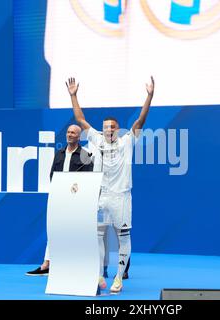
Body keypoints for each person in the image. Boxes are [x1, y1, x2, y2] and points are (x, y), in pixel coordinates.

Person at [66, 76, 154, 293]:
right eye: (106, 127)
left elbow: (140, 122)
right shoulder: (95, 139)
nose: (109, 130)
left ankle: (118, 278)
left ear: (118, 129)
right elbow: (80, 118)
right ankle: (97, 274)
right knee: (96, 235)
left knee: (123, 237)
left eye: (113, 127)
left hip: (121, 196)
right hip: (101, 196)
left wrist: (149, 96)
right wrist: (73, 95)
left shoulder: (127, 141)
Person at [26, 124, 93, 276]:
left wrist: (76, 193)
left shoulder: (86, 155)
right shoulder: (59, 153)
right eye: (68, 132)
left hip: (77, 201)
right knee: (54, 229)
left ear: (79, 137)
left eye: (73, 133)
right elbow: (52, 175)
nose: (70, 135)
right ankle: (47, 264)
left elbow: (88, 179)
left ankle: (75, 267)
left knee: (75, 232)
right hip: (59, 199)